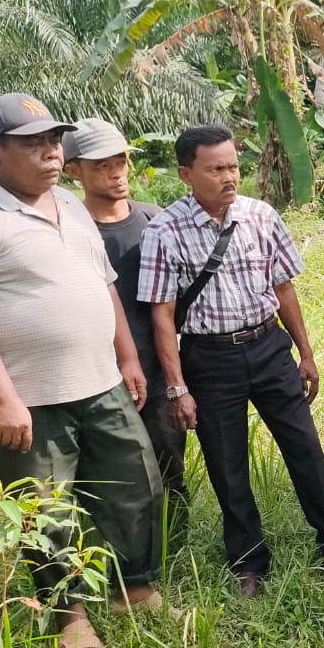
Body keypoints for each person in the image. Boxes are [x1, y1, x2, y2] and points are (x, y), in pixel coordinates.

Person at [0, 94, 166, 648]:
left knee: (137, 484)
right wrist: (3, 398)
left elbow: (103, 284)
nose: (52, 153)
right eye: (33, 144)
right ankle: (69, 617)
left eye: (54, 141)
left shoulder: (69, 203)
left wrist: (127, 357)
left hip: (100, 381)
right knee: (45, 509)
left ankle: (132, 590)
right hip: (28, 398)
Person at [137, 125, 324, 597]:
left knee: (305, 449)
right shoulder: (164, 231)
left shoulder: (261, 216)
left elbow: (284, 288)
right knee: (227, 465)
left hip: (268, 347)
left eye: (233, 166)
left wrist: (305, 352)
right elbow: (161, 315)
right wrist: (177, 387)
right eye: (215, 169)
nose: (229, 177)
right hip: (209, 359)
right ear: (186, 174)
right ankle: (248, 563)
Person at [61, 118, 190, 548]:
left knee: (168, 464)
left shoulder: (155, 221)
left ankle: (172, 550)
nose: (116, 173)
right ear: (73, 170)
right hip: (95, 375)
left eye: (121, 162)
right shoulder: (67, 229)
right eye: (102, 166)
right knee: (107, 473)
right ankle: (115, 554)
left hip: (157, 370)